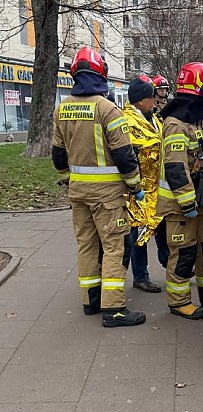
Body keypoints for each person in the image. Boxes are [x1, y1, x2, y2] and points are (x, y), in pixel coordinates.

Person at [51, 47, 146, 327]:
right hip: (107, 196)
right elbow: (124, 154)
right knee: (115, 247)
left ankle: (90, 301)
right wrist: (135, 186)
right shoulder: (107, 109)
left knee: (86, 245)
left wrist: (69, 179)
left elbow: (58, 154)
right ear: (101, 75)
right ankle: (114, 309)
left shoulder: (62, 108)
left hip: (78, 192)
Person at [155, 62, 203, 320]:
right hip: (181, 208)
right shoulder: (176, 124)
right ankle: (178, 302)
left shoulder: (198, 122)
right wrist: (188, 203)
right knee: (184, 255)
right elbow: (176, 168)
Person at [122, 74, 167, 293]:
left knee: (160, 226)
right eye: (151, 97)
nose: (155, 100)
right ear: (141, 100)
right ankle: (140, 276)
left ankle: (168, 262)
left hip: (157, 186)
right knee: (138, 233)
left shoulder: (153, 117)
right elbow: (130, 153)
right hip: (138, 189)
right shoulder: (128, 120)